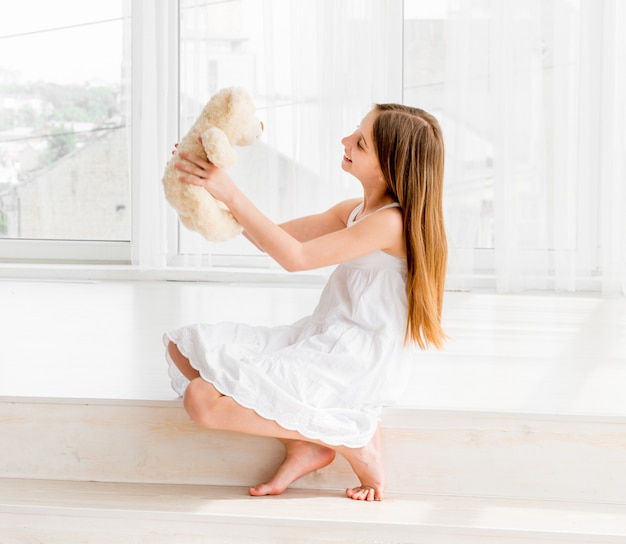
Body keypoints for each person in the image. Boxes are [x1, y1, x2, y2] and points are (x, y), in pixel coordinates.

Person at [164, 103, 447, 502]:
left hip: (354, 357)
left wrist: (228, 189)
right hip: (323, 335)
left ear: (388, 167)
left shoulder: (390, 222)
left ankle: (354, 441)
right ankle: (307, 442)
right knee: (183, 347)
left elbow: (294, 259)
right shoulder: (355, 211)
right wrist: (205, 186)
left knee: (201, 401)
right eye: (355, 131)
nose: (346, 141)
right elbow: (273, 239)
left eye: (361, 143)